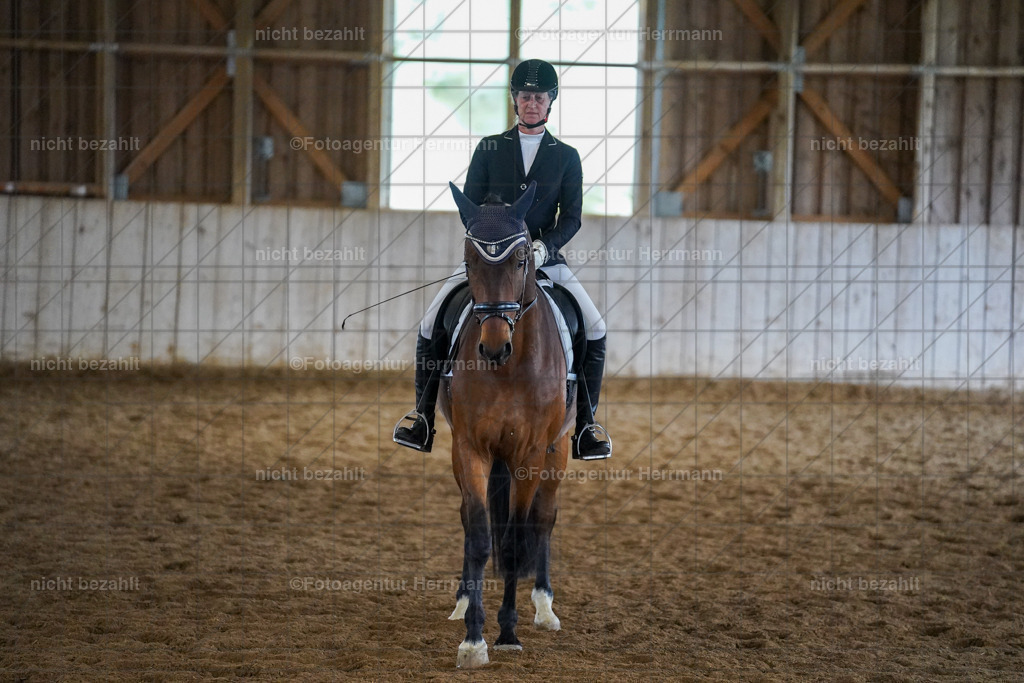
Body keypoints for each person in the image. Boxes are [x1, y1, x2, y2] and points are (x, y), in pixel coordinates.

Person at [393, 58, 612, 460]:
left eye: (539, 97)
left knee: (595, 327)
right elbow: (470, 207)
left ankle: (586, 425)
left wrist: (543, 247)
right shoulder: (489, 148)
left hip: (545, 260)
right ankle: (422, 416)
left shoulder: (566, 156)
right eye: (526, 96)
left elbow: (573, 217)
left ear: (551, 102)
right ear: (515, 100)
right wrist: (489, 244)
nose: (532, 103)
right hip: (490, 261)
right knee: (429, 323)